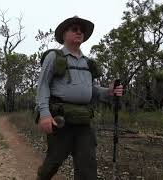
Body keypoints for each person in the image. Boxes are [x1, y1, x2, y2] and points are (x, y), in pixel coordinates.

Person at [36, 16, 124, 180]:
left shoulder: (88, 63)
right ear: (64, 34)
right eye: (74, 29)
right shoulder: (54, 57)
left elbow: (92, 90)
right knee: (53, 162)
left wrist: (109, 92)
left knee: (87, 166)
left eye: (81, 30)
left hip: (84, 121)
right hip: (60, 120)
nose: (79, 32)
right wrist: (45, 114)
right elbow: (43, 86)